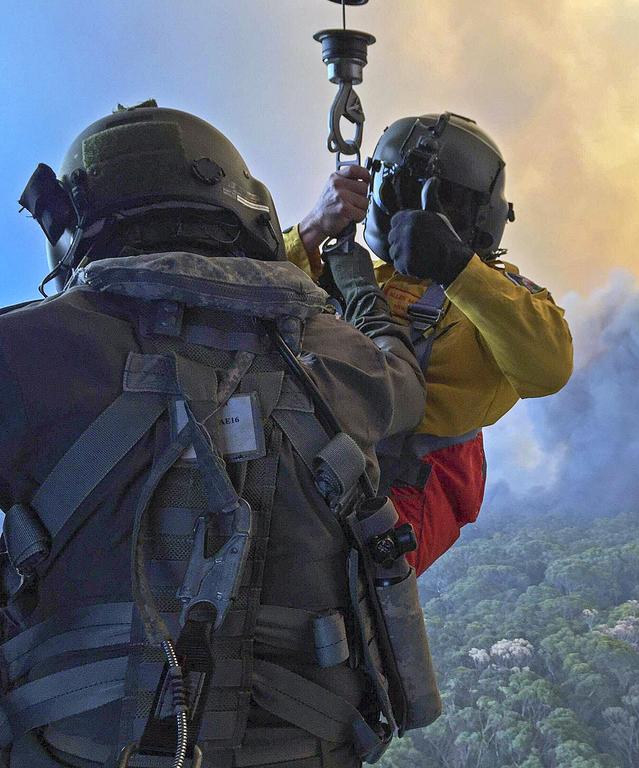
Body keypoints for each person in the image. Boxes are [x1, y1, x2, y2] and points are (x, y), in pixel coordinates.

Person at [0, 103, 433, 768]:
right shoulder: (341, 355)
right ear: (242, 211)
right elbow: (404, 383)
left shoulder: (22, 351)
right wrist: (361, 293)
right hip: (309, 746)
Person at [285, 112, 573, 574]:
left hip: (411, 479)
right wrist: (313, 229)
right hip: (325, 457)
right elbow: (247, 291)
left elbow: (550, 368)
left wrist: (458, 268)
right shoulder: (349, 270)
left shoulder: (497, 297)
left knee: (328, 581)